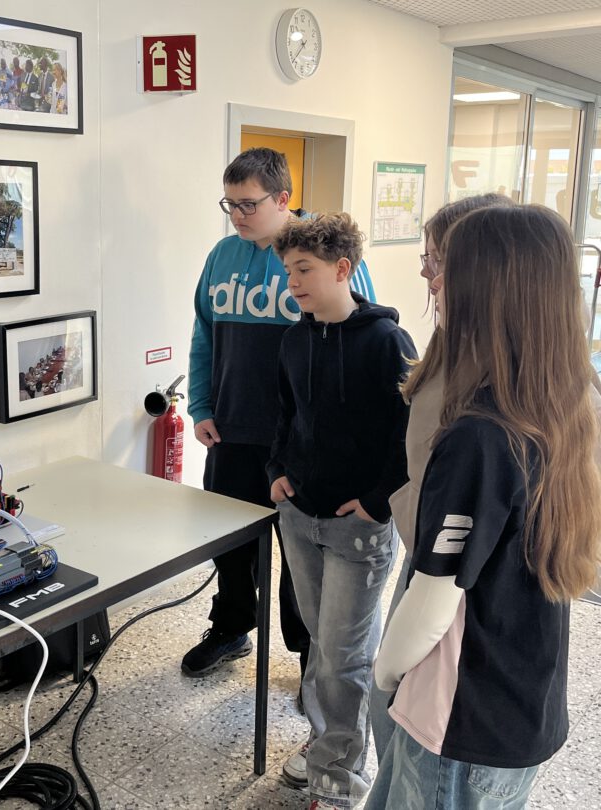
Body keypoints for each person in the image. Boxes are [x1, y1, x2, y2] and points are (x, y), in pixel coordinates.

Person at [367, 205, 601, 808]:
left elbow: (434, 599)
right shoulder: (563, 405)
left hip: (462, 721)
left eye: (452, 269)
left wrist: (386, 670)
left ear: (492, 290)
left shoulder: (480, 436)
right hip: (525, 700)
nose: (436, 284)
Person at [182, 148, 377, 685]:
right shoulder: (223, 255)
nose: (237, 215)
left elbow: (359, 341)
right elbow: (204, 334)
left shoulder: (323, 255)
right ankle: (231, 626)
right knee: (230, 543)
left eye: (248, 204)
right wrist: (200, 406)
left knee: (301, 557)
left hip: (301, 441)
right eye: (230, 204)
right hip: (233, 429)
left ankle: (309, 653)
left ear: (283, 198)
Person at [268, 213, 415, 809]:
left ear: (342, 268)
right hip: (300, 517)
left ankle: (337, 777)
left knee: (343, 656)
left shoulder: (387, 342)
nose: (293, 282)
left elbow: (410, 432)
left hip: (358, 527)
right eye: (288, 271)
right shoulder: (293, 339)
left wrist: (378, 502)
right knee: (324, 645)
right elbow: (284, 415)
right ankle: (326, 740)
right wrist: (276, 471)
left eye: (304, 269)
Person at [369, 193, 514, 759]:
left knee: (410, 722)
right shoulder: (452, 341)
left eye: (435, 259)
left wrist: (389, 667)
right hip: (430, 547)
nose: (426, 274)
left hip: (457, 569)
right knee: (395, 723)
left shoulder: (494, 398)